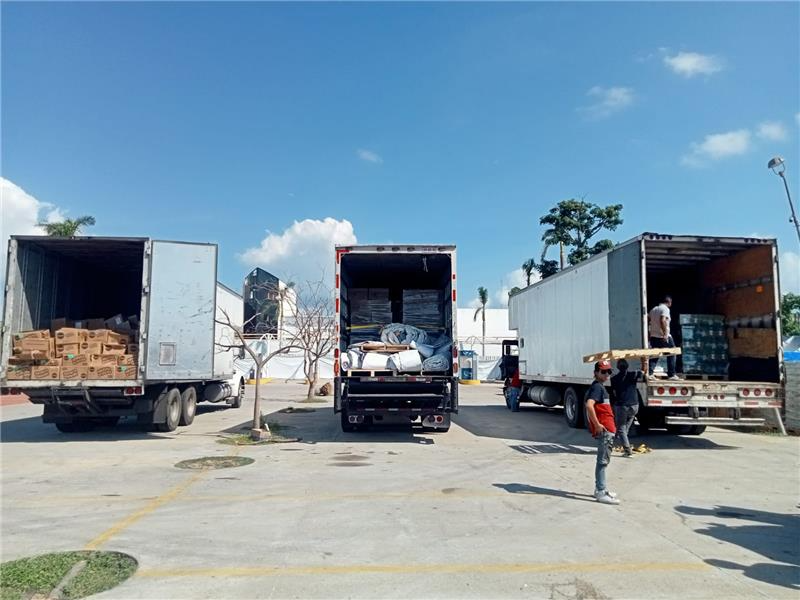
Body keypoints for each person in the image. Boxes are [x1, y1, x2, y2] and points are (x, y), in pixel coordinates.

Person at [585, 360, 619, 505]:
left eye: (608, 372)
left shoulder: (598, 387)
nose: (606, 374)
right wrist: (597, 424)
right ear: (596, 373)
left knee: (603, 461)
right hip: (605, 430)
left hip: (607, 429)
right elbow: (589, 405)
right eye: (603, 372)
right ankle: (601, 491)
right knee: (603, 462)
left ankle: (599, 488)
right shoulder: (597, 388)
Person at [610, 358, 643, 457]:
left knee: (621, 428)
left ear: (617, 367)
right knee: (627, 424)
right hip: (634, 405)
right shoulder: (633, 375)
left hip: (622, 406)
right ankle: (624, 439)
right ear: (628, 366)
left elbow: (614, 392)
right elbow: (643, 372)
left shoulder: (614, 379)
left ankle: (628, 450)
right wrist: (644, 361)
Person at [648, 295, 679, 380]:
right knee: (672, 352)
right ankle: (671, 374)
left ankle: (650, 373)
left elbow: (648, 321)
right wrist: (665, 334)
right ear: (669, 302)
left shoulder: (653, 310)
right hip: (662, 336)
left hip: (654, 336)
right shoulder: (665, 309)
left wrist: (649, 334)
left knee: (655, 354)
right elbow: (663, 320)